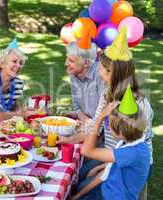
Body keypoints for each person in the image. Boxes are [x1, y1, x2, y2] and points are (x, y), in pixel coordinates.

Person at [76, 27, 154, 195]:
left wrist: (110, 165)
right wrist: (67, 139)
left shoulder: (140, 104)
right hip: (111, 156)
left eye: (102, 72)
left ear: (113, 73)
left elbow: (136, 146)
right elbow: (94, 128)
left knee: (85, 187)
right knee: (79, 176)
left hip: (128, 163)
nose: (99, 75)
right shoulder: (107, 94)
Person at [72, 87, 150, 200]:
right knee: (77, 186)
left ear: (119, 131)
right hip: (106, 191)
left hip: (111, 196)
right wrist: (79, 195)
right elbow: (108, 171)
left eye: (108, 123)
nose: (106, 125)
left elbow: (86, 150)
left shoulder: (131, 152)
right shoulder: (131, 145)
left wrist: (100, 118)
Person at [57, 30, 105, 145]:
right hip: (89, 127)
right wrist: (84, 118)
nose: (65, 64)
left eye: (71, 60)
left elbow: (101, 122)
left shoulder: (102, 76)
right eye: (67, 58)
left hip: (109, 137)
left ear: (87, 63)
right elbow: (77, 107)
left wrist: (70, 140)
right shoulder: (74, 75)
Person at [0, 38, 37, 130]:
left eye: (21, 63)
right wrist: (20, 114)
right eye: (14, 61)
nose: (18, 66)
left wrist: (24, 111)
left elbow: (13, 107)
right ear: (2, 64)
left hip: (5, 125)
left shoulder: (17, 83)